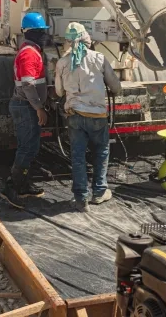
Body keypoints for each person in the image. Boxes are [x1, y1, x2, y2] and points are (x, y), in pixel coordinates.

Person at [55, 23, 122, 212]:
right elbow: (116, 87)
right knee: (101, 152)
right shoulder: (99, 58)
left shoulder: (62, 63)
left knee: (77, 156)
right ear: (87, 39)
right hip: (97, 116)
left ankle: (80, 199)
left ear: (67, 42)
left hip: (75, 115)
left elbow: (59, 91)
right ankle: (100, 192)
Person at [1, 12, 50, 208]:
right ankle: (12, 188)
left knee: (30, 146)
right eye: (42, 32)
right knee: (27, 147)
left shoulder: (30, 50)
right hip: (25, 107)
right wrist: (39, 108)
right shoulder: (30, 53)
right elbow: (28, 85)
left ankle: (23, 184)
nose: (45, 36)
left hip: (25, 106)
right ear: (35, 33)